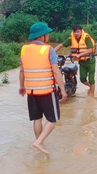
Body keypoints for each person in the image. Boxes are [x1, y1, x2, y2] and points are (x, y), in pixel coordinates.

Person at [19, 22, 67, 154]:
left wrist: (21, 86)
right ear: (42, 36)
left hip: (31, 92)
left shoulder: (24, 49)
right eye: (47, 33)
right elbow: (56, 72)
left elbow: (22, 71)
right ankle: (39, 142)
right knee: (53, 119)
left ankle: (40, 144)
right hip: (46, 90)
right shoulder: (48, 50)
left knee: (37, 119)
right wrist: (63, 90)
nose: (49, 35)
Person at [55, 24, 96, 98]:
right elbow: (61, 45)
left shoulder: (86, 38)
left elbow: (90, 49)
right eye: (75, 32)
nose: (76, 33)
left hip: (90, 61)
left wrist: (80, 55)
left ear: (81, 31)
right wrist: (52, 52)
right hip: (82, 62)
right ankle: (91, 87)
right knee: (82, 79)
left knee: (91, 79)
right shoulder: (71, 39)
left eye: (78, 32)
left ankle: (91, 97)